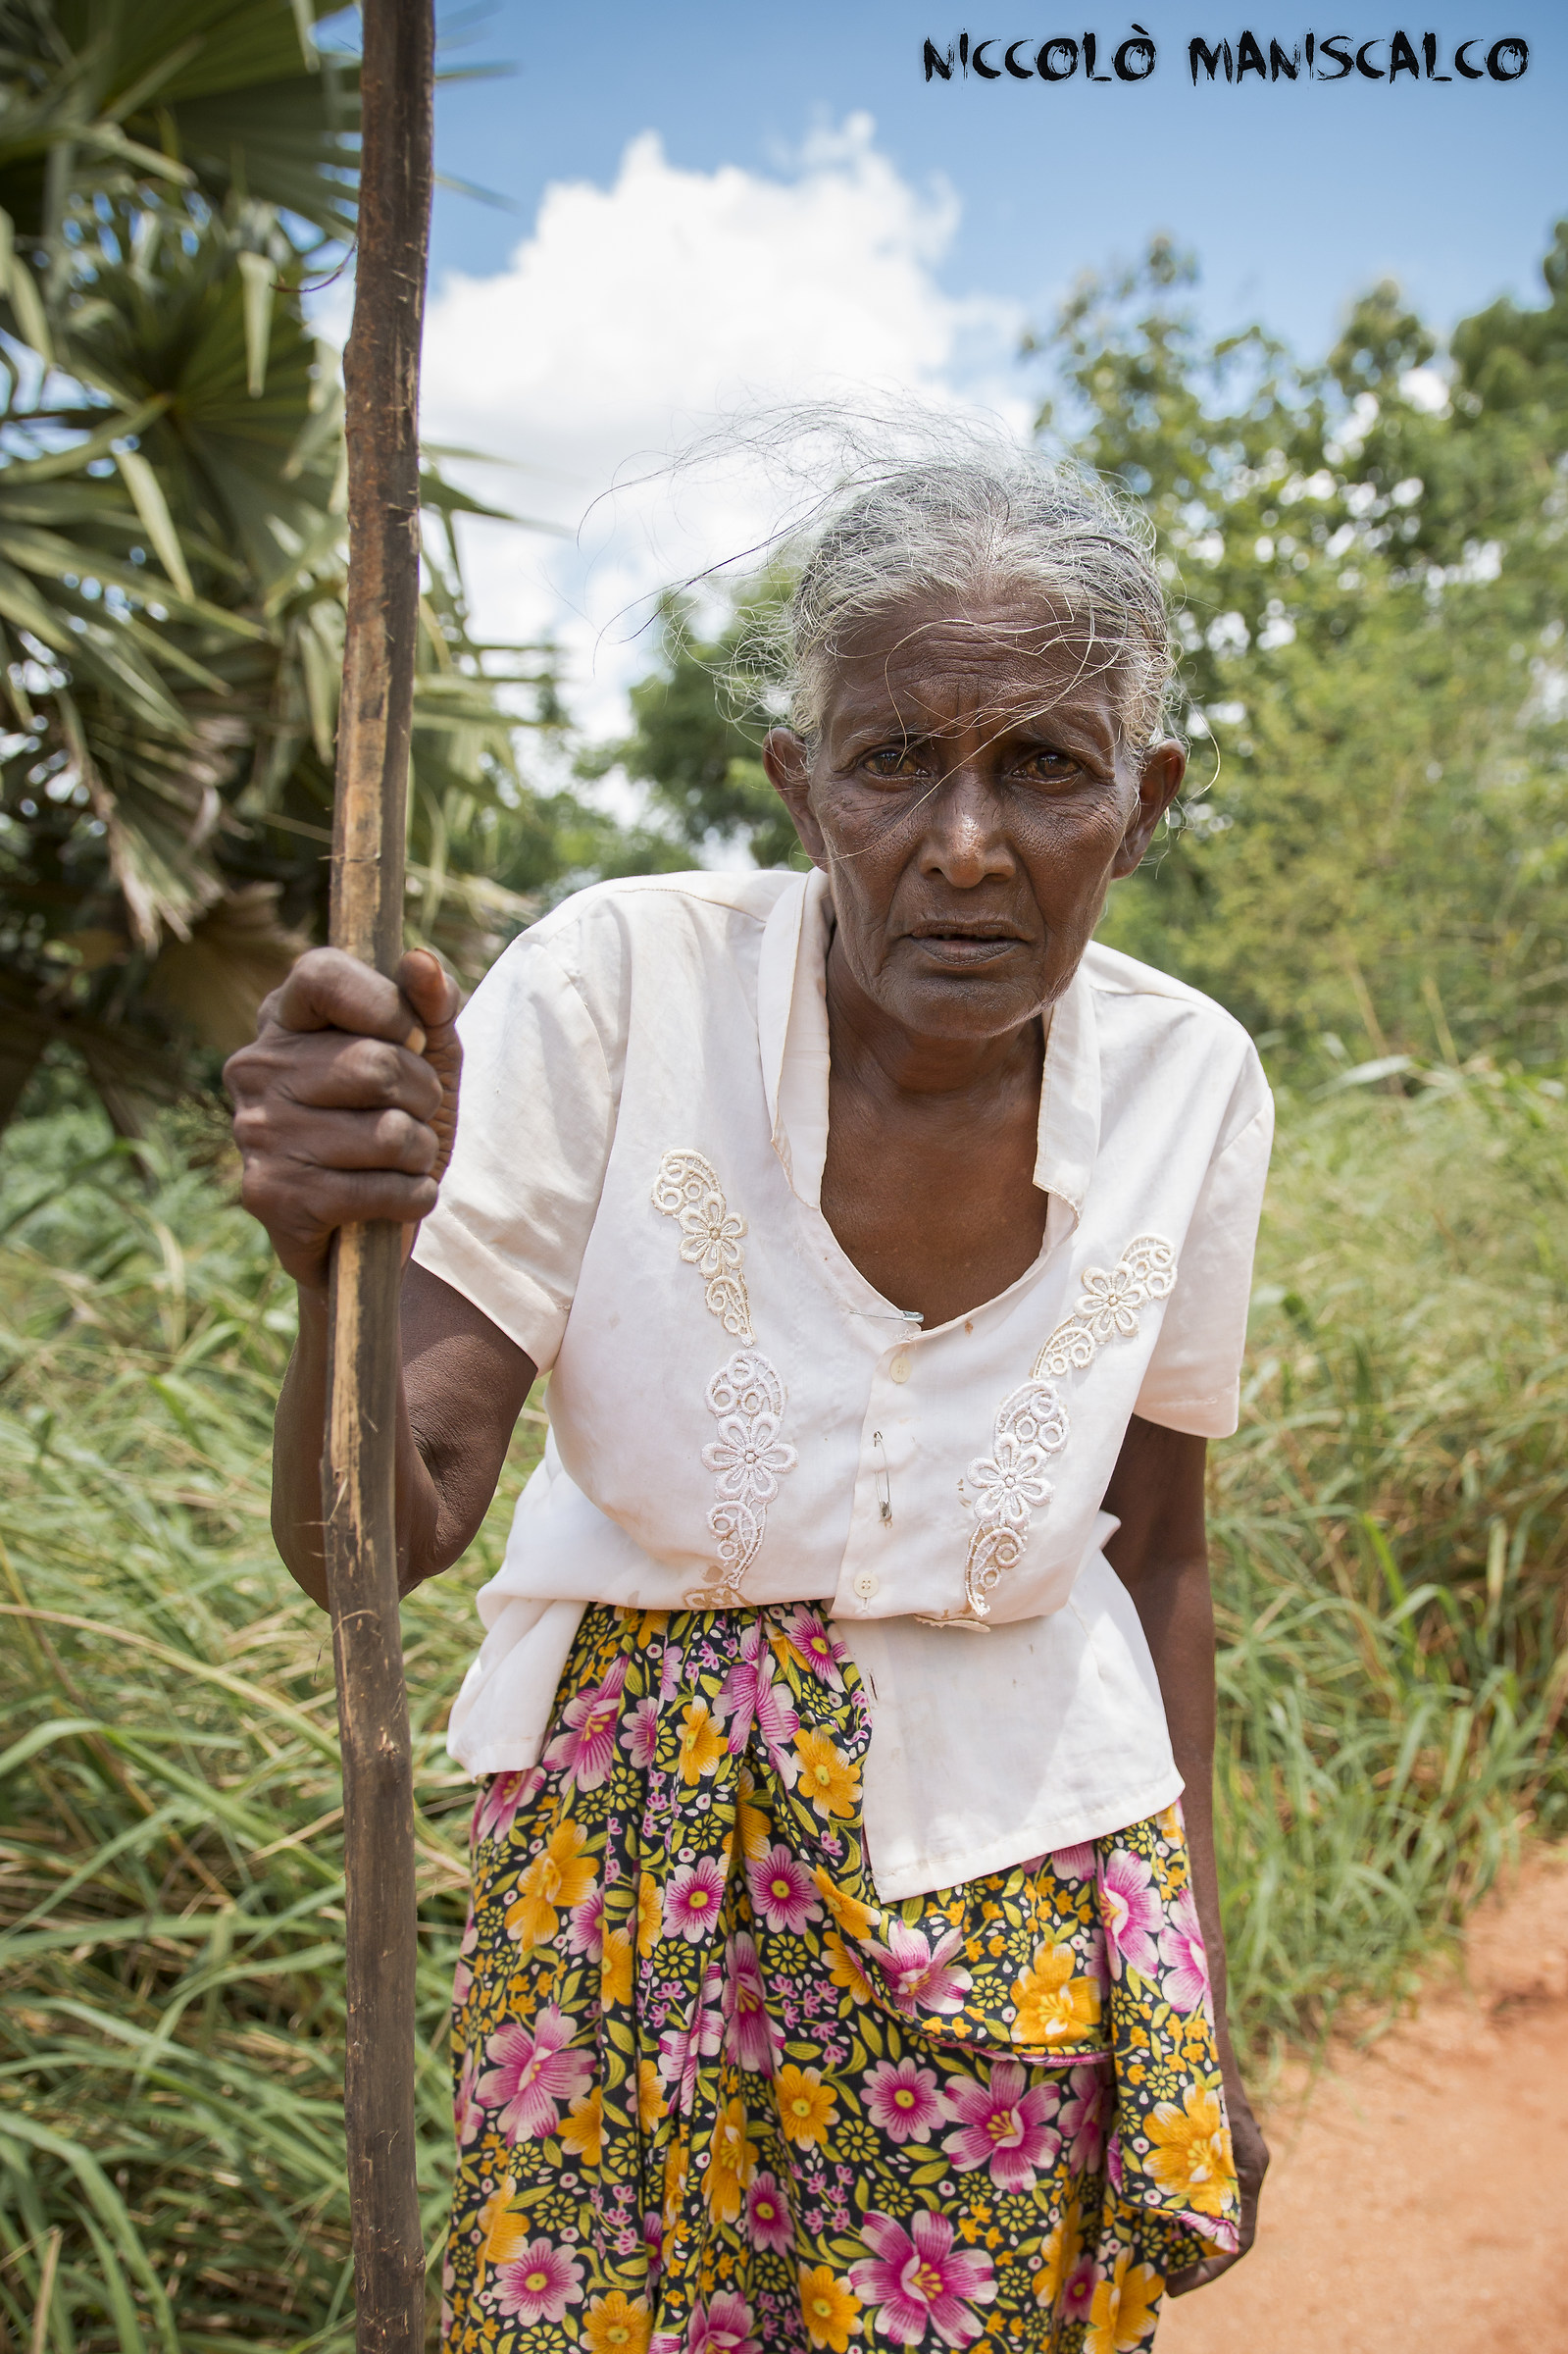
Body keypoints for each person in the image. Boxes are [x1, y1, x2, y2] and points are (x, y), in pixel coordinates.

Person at [227, 439, 1272, 2354]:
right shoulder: (616, 987)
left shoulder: (1193, 1083)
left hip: (1024, 1877)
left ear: (1140, 805)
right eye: (893, 762)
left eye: (1043, 765)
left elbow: (1159, 1554)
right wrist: (331, 1265)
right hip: (630, 1886)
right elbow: (378, 1531)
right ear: (800, 785)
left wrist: (1195, 1981)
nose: (963, 843)